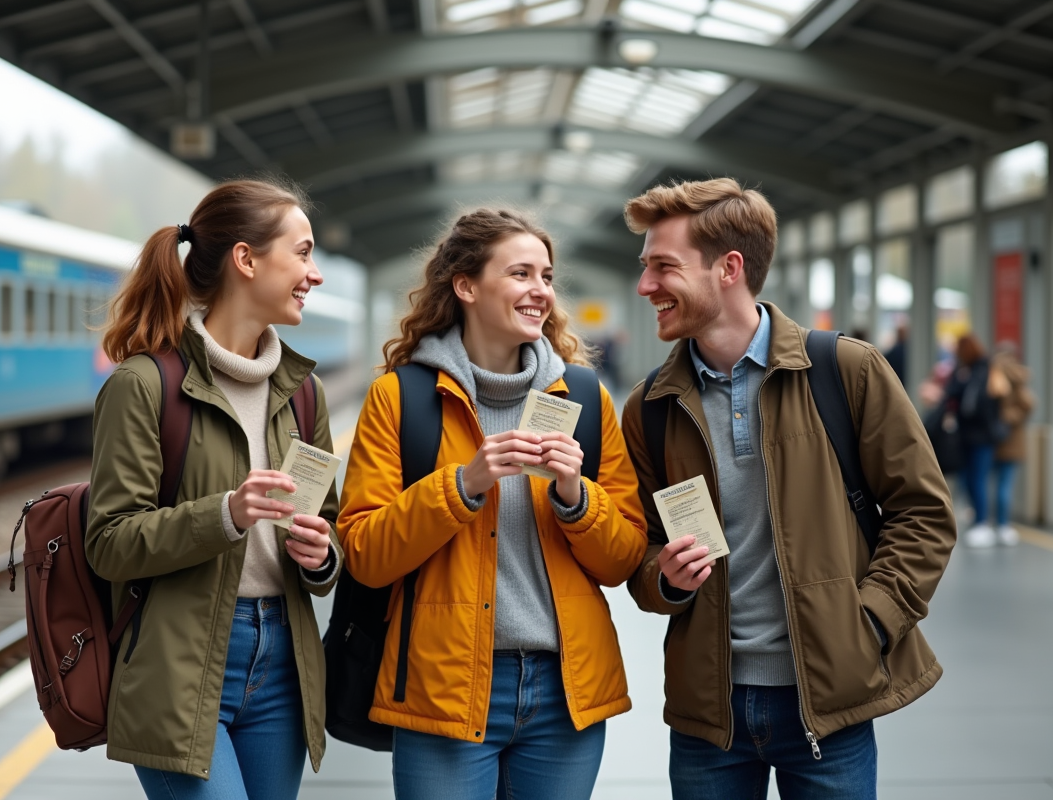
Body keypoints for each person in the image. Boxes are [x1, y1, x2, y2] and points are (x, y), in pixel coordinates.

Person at [620, 178, 956, 800]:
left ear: (729, 268)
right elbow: (638, 548)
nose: (646, 287)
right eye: (645, 269)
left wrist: (872, 624)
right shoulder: (651, 408)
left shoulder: (844, 370)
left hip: (829, 705)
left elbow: (924, 513)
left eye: (663, 267)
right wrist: (662, 578)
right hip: (708, 714)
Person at [337, 209, 647, 799]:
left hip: (565, 694)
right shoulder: (400, 398)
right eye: (521, 273)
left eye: (547, 277)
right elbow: (365, 555)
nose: (541, 292)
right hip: (445, 687)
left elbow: (623, 559)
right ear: (466, 285)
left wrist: (575, 499)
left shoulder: (585, 397)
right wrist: (461, 486)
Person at [86, 179, 343, 799]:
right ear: (246, 260)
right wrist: (226, 513)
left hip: (283, 660)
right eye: (303, 253)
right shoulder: (144, 385)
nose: (316, 274)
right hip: (182, 661)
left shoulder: (304, 393)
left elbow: (327, 526)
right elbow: (110, 542)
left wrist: (322, 555)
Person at [943, 333, 1005, 548]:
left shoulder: (981, 371)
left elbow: (977, 405)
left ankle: (982, 522)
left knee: (977, 478)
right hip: (970, 435)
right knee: (969, 478)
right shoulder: (967, 371)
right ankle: (979, 519)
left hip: (981, 436)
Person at [988, 343, 1035, 546]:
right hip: (1013, 436)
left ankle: (986, 522)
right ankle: (1003, 524)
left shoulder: (993, 374)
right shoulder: (1018, 376)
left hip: (990, 436)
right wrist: (1011, 417)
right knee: (1005, 484)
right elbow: (1029, 403)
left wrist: (1000, 417)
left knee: (987, 481)